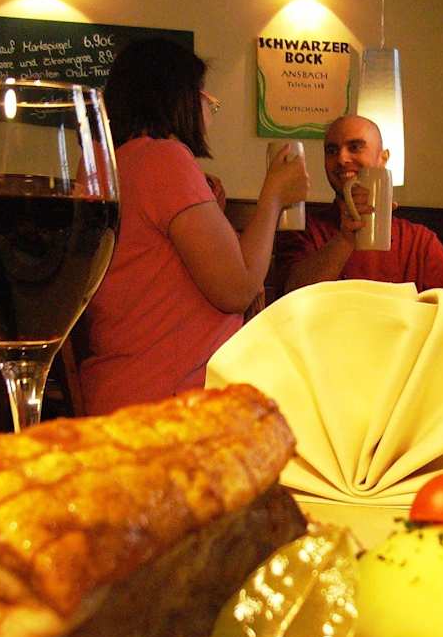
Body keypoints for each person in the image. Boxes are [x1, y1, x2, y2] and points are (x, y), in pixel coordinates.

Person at [81, 39, 308, 415]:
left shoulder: (107, 165)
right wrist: (274, 197)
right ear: (178, 97)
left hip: (122, 388)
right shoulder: (163, 159)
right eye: (204, 95)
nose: (209, 105)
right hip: (170, 402)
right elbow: (237, 290)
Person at [276, 115, 443, 296]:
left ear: (383, 158)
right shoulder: (303, 230)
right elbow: (290, 299)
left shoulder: (420, 242)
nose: (341, 159)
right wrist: (344, 240)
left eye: (355, 147)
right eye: (332, 151)